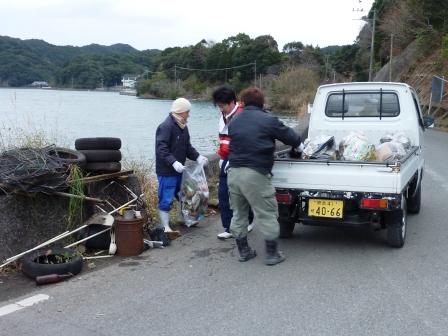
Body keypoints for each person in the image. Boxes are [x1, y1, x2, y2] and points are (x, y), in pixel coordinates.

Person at [227, 88, 302, 266]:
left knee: (239, 213)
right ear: (262, 103)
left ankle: (244, 251)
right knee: (267, 213)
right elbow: (293, 138)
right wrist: (298, 148)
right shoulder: (268, 120)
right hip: (255, 173)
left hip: (234, 172)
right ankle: (272, 254)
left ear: (243, 103)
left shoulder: (234, 121)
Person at [155, 97, 208, 238]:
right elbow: (162, 148)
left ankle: (185, 218)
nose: (189, 115)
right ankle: (165, 226)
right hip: (167, 171)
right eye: (187, 112)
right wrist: (173, 162)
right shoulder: (166, 126)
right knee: (166, 198)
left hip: (180, 170)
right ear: (181, 112)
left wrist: (197, 156)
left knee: (184, 195)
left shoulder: (183, 127)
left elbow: (187, 147)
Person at [212, 86, 254, 240]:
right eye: (219, 106)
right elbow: (222, 139)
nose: (220, 109)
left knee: (242, 193)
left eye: (222, 105)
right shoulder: (222, 117)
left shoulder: (243, 116)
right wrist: (222, 158)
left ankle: (249, 220)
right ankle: (228, 227)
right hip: (226, 159)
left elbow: (247, 141)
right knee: (223, 193)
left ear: (231, 102)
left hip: (241, 159)